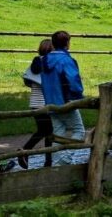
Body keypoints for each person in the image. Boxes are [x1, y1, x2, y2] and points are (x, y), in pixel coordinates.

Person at [41, 31, 85, 165]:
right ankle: (65, 159)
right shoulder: (66, 60)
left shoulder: (45, 60)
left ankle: (57, 165)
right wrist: (78, 96)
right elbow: (73, 80)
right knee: (79, 130)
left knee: (58, 134)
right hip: (65, 101)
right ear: (67, 43)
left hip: (50, 102)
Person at [18, 39, 54, 169]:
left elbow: (28, 82)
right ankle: (25, 151)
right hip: (46, 103)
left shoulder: (35, 63)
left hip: (34, 102)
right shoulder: (50, 63)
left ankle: (48, 161)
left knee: (47, 131)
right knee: (46, 131)